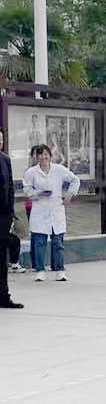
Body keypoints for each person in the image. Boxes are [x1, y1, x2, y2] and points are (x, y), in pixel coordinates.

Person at [23, 145, 80, 281]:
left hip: (56, 210)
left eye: (46, 154)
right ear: (36, 157)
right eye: (40, 155)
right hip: (39, 210)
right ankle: (40, 270)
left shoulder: (59, 169)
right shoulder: (31, 172)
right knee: (39, 242)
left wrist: (70, 194)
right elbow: (27, 189)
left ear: (50, 155)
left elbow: (75, 180)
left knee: (58, 242)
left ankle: (60, 270)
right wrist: (39, 193)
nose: (43, 157)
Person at [0, 129, 23, 309]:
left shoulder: (5, 159)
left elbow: (10, 188)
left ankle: (3, 296)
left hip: (3, 216)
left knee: (2, 258)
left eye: (1, 139)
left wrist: (11, 214)